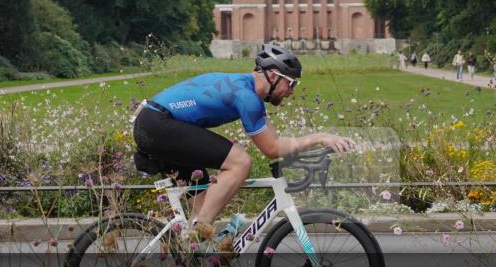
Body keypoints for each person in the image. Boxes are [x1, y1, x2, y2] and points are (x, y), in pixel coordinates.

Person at [132, 44, 355, 250]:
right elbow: (272, 149)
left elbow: (275, 141)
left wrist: (315, 143)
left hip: (156, 122)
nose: (292, 91)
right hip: (157, 125)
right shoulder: (246, 96)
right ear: (274, 76)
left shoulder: (246, 90)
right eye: (291, 82)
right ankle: (197, 233)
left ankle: (192, 262)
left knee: (204, 205)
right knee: (240, 162)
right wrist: (320, 137)